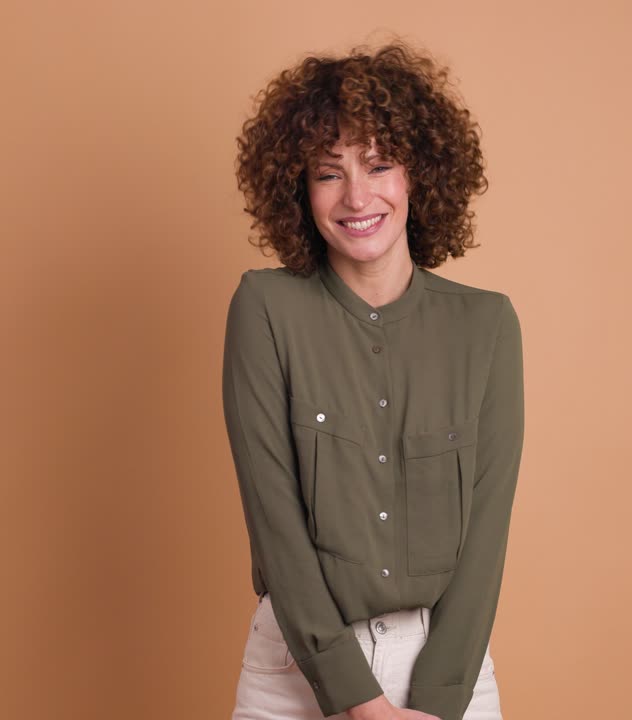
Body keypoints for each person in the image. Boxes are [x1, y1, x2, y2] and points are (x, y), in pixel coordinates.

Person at [222, 39, 524, 720]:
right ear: (299, 189)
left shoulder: (488, 326)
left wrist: (438, 701)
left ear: (420, 174)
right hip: (295, 672)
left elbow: (486, 540)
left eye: (379, 164)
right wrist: (360, 703)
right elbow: (276, 526)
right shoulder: (265, 309)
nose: (357, 196)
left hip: (448, 670)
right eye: (328, 173)